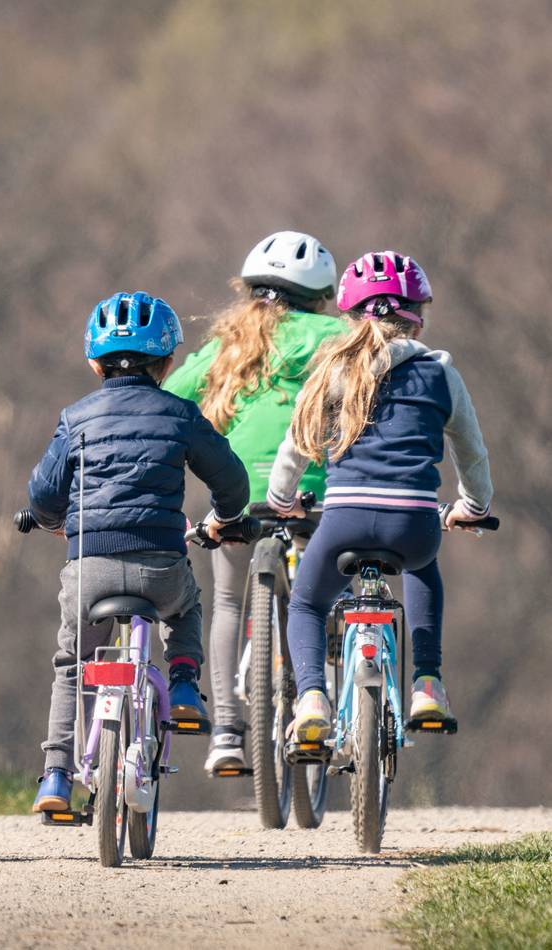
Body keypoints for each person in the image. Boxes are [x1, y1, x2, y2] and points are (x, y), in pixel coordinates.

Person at [27, 291, 250, 812]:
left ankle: (56, 776)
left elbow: (42, 495)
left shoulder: (75, 418)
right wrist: (223, 518)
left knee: (71, 664)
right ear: (168, 362)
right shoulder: (181, 414)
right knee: (189, 605)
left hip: (91, 570)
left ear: (92, 361)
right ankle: (185, 684)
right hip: (160, 565)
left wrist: (54, 523)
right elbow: (232, 482)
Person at [266, 251, 493, 742]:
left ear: (349, 317)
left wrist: (282, 499)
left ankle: (311, 699)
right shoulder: (441, 374)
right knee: (423, 566)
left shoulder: (332, 372)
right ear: (418, 317)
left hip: (343, 517)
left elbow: (295, 447)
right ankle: (427, 682)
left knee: (306, 604)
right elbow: (471, 455)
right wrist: (472, 508)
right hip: (412, 523)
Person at [164, 230, 343, 775]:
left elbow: (168, 399)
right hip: (313, 493)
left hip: (237, 496)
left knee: (226, 602)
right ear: (321, 295)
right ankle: (326, 684)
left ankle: (226, 735)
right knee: (325, 595)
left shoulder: (228, 343)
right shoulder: (339, 335)